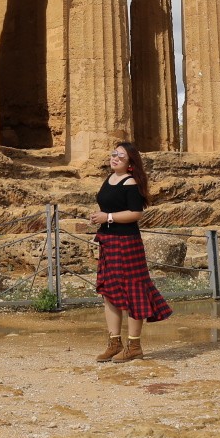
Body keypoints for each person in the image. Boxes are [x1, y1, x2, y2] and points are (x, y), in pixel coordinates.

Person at [88, 141, 171, 362]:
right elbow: (110, 207)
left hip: (127, 242)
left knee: (134, 293)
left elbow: (136, 213)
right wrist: (100, 216)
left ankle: (134, 345)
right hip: (109, 240)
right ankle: (115, 343)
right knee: (109, 292)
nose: (114, 158)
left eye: (120, 156)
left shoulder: (130, 182)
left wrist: (109, 217)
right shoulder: (110, 178)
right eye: (113, 153)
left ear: (130, 163)